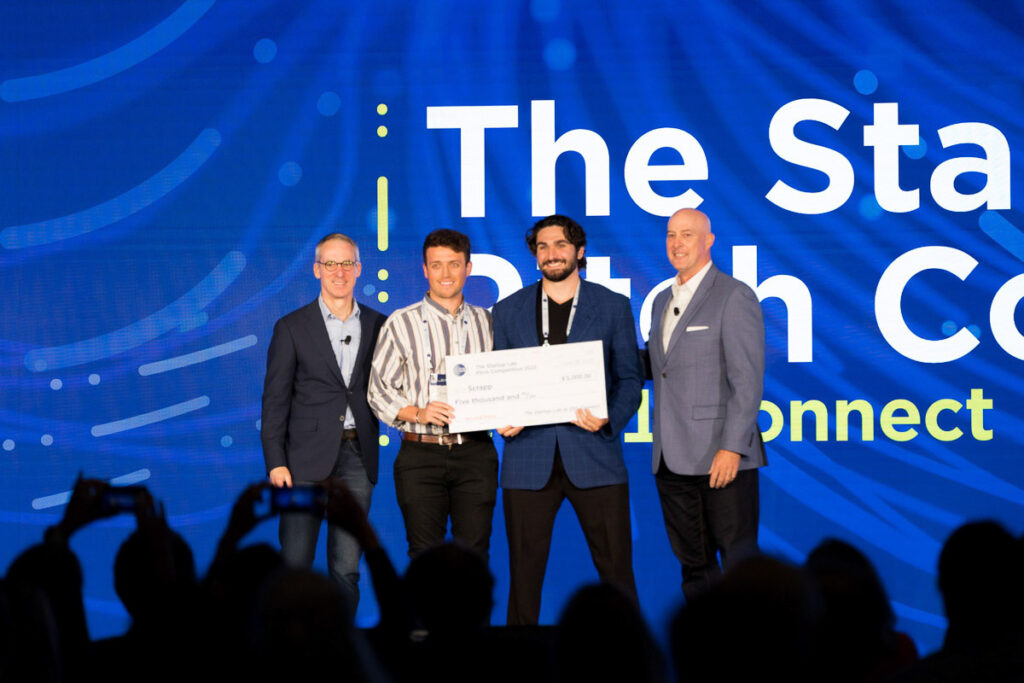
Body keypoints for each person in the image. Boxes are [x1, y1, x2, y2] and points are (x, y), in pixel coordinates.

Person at [492, 214, 643, 625]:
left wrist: (607, 418)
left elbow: (630, 380)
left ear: (579, 251)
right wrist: (501, 416)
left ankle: (631, 659)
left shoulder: (612, 306)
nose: (551, 254)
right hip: (527, 461)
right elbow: (498, 382)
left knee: (617, 575)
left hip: (595, 455)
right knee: (523, 581)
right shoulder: (506, 311)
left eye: (560, 245)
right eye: (542, 246)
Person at [646, 208, 766, 602]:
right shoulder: (662, 298)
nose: (677, 244)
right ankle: (705, 653)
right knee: (694, 568)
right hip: (671, 457)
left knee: (739, 565)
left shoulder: (734, 295)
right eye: (671, 235)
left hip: (721, 456)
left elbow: (746, 382)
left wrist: (732, 447)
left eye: (687, 235)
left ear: (708, 241)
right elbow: (659, 367)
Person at [260, 233, 385, 608]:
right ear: (317, 270)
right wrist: (275, 461)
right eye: (330, 263)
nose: (339, 272)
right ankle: (288, 649)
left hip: (358, 457)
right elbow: (275, 401)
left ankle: (342, 652)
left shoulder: (381, 324)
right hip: (302, 461)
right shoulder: (292, 327)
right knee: (295, 561)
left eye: (347, 263)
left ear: (359, 269)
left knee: (346, 567)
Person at [368, 229, 498, 560]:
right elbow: (377, 390)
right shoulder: (401, 322)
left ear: (468, 268)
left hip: (475, 453)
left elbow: (503, 383)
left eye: (454, 264)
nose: (445, 274)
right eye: (436, 265)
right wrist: (418, 413)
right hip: (420, 456)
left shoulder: (488, 322)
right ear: (424, 269)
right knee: (424, 557)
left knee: (475, 555)